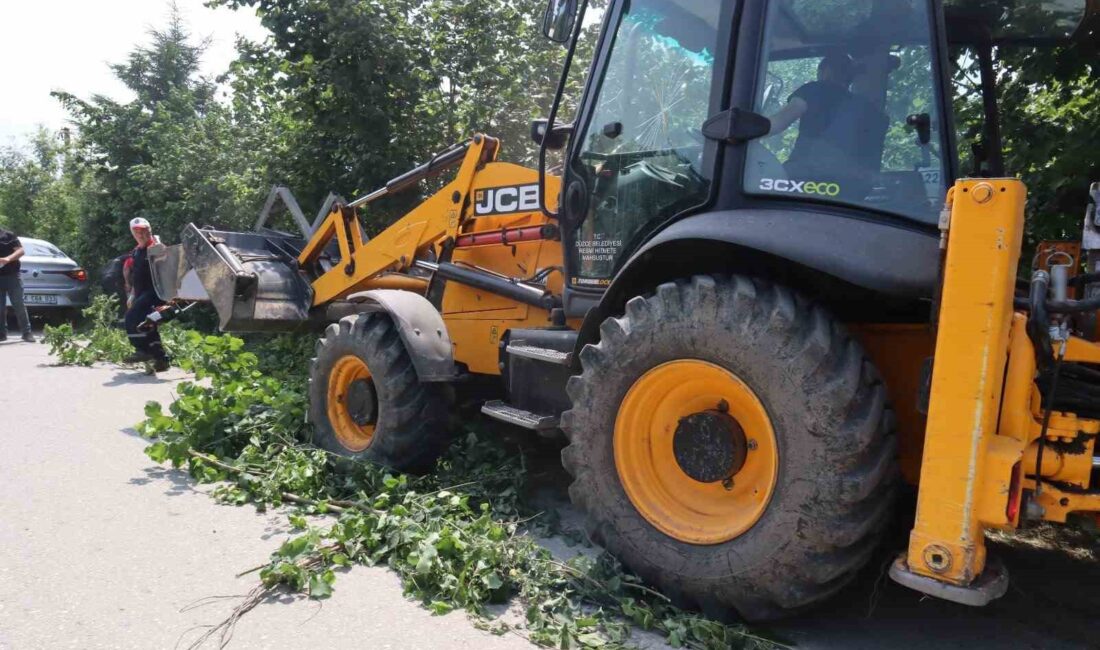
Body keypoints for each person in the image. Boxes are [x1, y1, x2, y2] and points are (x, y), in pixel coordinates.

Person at [766, 53, 883, 200]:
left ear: (825, 72)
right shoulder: (868, 109)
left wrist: (748, 128)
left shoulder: (814, 90)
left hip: (805, 184)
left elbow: (777, 124)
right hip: (848, 193)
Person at [123, 217, 169, 371]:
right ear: (132, 233)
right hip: (141, 293)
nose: (141, 234)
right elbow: (136, 277)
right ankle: (161, 360)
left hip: (156, 292)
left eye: (144, 230)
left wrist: (158, 245)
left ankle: (141, 350)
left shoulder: (156, 247)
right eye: (137, 231)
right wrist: (132, 295)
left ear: (149, 230)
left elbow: (167, 262)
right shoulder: (136, 252)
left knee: (131, 317)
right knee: (149, 324)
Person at [0, 227, 35, 343]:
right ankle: (1, 333)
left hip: (13, 275)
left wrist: (8, 259)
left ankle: (27, 333)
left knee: (19, 304)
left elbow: (20, 251)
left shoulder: (8, 235)